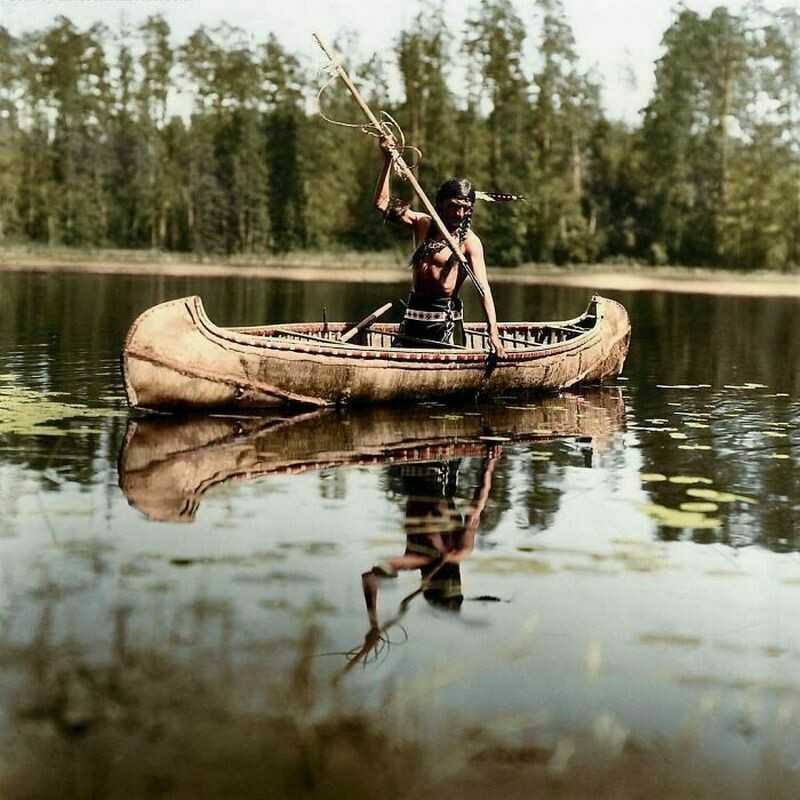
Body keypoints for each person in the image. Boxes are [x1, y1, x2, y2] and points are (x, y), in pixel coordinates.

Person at [373, 136, 507, 356]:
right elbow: (381, 204)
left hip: (444, 324)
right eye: (454, 206)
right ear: (440, 204)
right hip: (413, 317)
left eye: (465, 208)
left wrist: (493, 332)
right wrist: (387, 159)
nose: (460, 214)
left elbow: (483, 289)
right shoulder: (423, 224)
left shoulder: (469, 242)